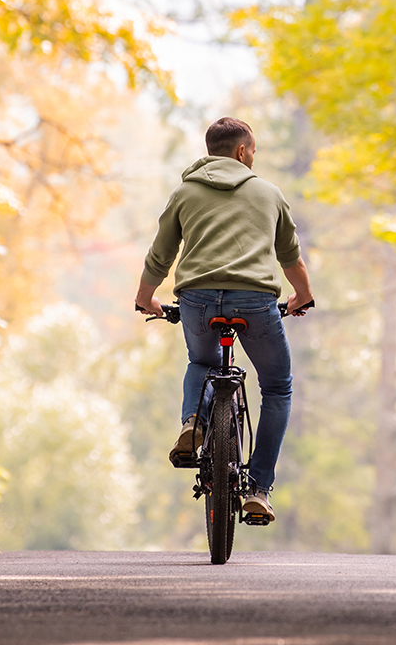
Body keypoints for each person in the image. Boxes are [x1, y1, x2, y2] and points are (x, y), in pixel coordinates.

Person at [134, 117, 315, 523]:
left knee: (202, 362)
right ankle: (259, 489)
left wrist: (146, 297)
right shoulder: (269, 193)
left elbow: (160, 255)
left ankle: (193, 422)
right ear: (242, 151)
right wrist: (302, 296)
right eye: (253, 151)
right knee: (277, 387)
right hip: (255, 302)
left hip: (197, 300)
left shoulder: (184, 193)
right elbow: (291, 257)